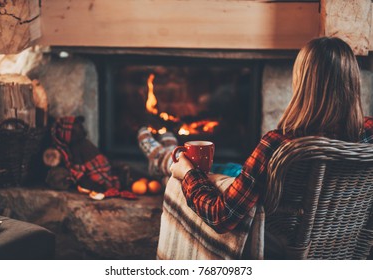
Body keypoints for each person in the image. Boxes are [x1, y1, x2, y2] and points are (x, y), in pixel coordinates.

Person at [139, 36, 373, 254]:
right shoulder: (368, 135)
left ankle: (165, 159)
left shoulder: (279, 144)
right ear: (352, 81)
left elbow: (222, 217)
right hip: (344, 248)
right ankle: (166, 159)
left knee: (196, 172)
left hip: (279, 245)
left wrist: (189, 174)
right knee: (230, 168)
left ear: (302, 81)